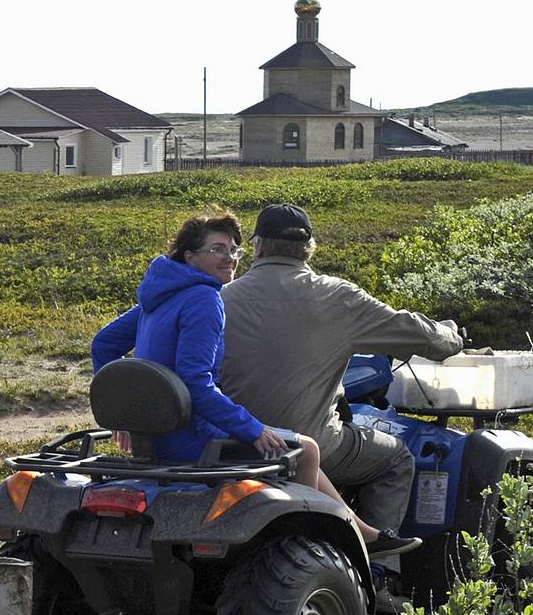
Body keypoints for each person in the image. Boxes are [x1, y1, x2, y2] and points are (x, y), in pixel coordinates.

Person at [92, 210, 419, 556]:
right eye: (218, 249)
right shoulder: (204, 299)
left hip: (153, 441)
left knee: (297, 445)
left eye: (235, 250)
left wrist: (124, 416)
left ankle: (362, 532)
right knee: (304, 449)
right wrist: (253, 429)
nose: (230, 258)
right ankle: (308, 552)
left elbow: (104, 344)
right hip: (190, 440)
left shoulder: (159, 295)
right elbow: (195, 383)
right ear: (191, 256)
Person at [220, 202, 464, 542]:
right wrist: (451, 336)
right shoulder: (337, 297)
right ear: (309, 249)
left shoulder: (221, 298)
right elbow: (417, 334)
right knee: (395, 459)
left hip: (228, 446)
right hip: (307, 446)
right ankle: (380, 570)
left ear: (258, 246)